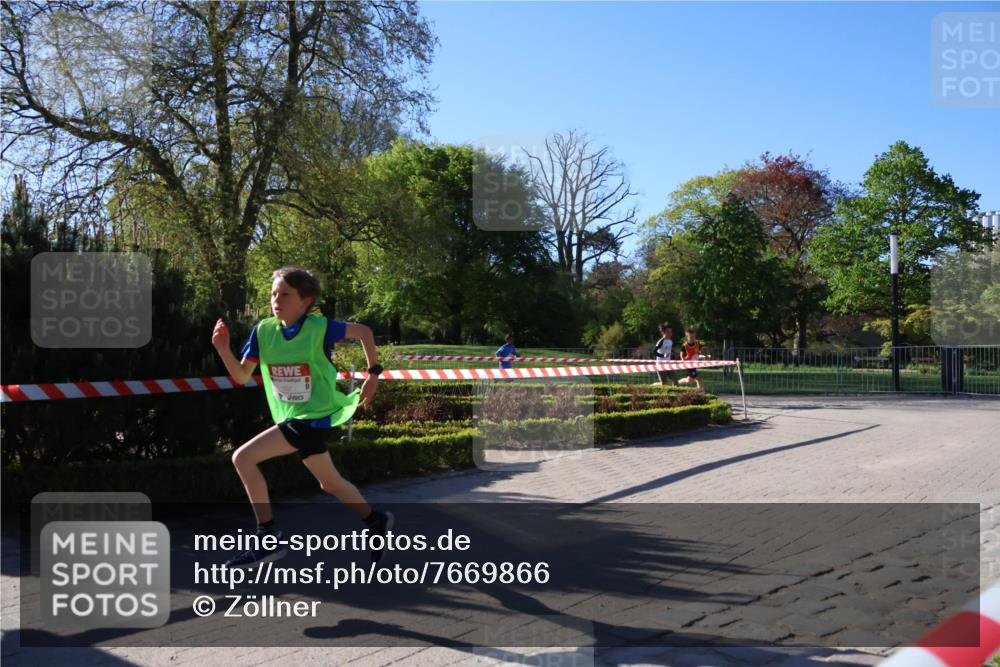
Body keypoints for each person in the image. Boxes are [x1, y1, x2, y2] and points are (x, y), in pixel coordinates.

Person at [211, 266, 392, 569]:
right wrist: (223, 350)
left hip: (314, 415)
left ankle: (267, 538)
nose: (276, 300)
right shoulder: (264, 331)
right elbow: (242, 375)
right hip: (292, 417)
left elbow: (364, 332)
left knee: (242, 458)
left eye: (285, 294)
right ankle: (376, 521)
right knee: (330, 484)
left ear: (305, 300)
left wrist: (373, 373)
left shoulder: (320, 327)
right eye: (273, 294)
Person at [677, 327, 705, 391]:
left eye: (693, 336)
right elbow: (681, 354)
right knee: (698, 379)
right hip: (689, 365)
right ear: (687, 336)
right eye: (690, 336)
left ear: (695, 335)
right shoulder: (685, 345)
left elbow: (701, 350)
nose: (692, 338)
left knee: (688, 380)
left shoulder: (698, 343)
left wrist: (704, 355)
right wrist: (683, 361)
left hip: (694, 365)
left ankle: (676, 383)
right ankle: (700, 392)